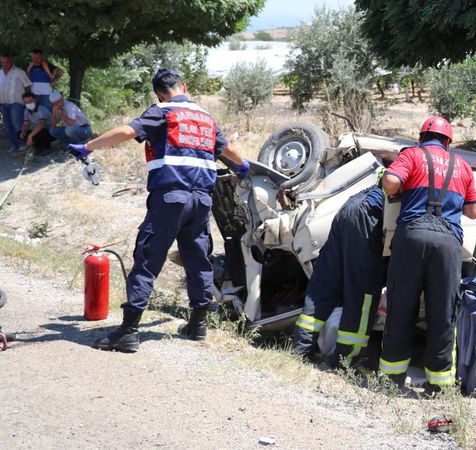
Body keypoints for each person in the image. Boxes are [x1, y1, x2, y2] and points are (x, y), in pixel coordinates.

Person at [66, 69, 251, 352]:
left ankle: (128, 331)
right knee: (198, 259)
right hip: (202, 201)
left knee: (148, 257)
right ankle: (198, 324)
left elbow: (128, 131)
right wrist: (243, 167)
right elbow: (231, 152)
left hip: (170, 199)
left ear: (158, 94)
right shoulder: (206, 118)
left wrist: (87, 147)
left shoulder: (163, 111)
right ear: (184, 87)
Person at [378, 116, 476, 391]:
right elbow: (473, 211)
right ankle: (438, 386)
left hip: (411, 236)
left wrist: (403, 187)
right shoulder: (463, 165)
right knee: (443, 313)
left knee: (401, 307)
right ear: (448, 142)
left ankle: (391, 380)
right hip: (448, 242)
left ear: (421, 137)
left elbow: (389, 182)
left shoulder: (412, 155)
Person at [293, 185, 386, 368]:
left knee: (325, 284)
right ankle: (345, 360)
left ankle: (301, 349)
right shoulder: (423, 172)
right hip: (370, 215)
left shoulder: (405, 162)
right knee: (363, 293)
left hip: (350, 206)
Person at [0, 54, 32, 151]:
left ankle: (22, 143)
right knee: (7, 125)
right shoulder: (0, 73)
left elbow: (28, 86)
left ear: (11, 61)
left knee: (17, 124)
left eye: (7, 62)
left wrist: (28, 100)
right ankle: (15, 144)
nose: (5, 64)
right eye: (3, 62)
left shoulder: (19, 72)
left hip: (16, 103)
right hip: (3, 103)